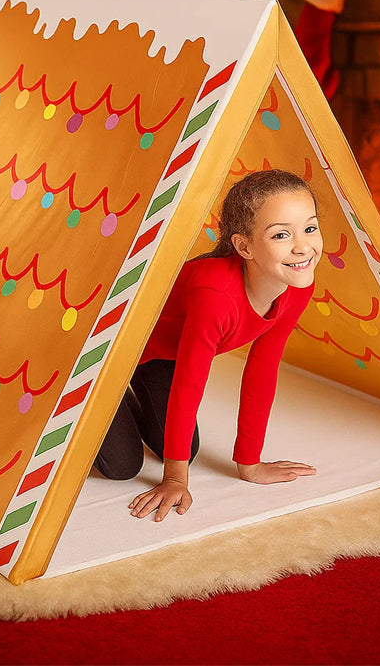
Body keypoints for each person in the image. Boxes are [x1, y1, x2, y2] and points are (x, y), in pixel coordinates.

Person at [94, 169, 322, 521]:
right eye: (281, 235)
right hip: (107, 351)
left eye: (309, 228)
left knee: (189, 449)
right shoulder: (214, 293)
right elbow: (190, 383)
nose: (303, 247)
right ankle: (98, 393)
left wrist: (250, 463)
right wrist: (174, 478)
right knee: (123, 467)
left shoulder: (296, 284)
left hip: (157, 355)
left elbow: (262, 369)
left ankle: (123, 398)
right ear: (243, 246)